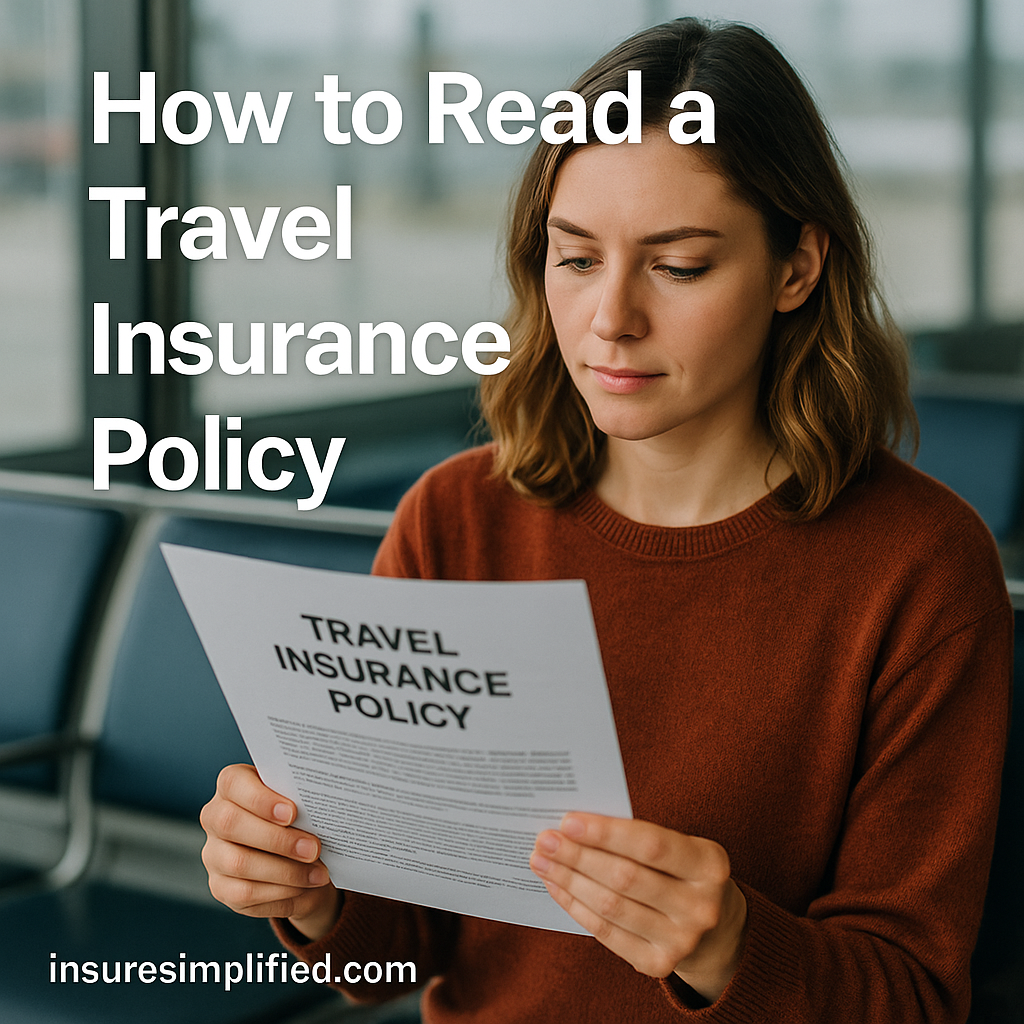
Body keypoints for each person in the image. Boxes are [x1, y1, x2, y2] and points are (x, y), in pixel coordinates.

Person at [198, 18, 1012, 1023]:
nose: (610, 318)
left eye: (677, 266)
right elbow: (396, 953)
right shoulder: (457, 519)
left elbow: (915, 999)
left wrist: (729, 947)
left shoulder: (919, 569)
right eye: (575, 258)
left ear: (797, 267)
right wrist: (318, 898)